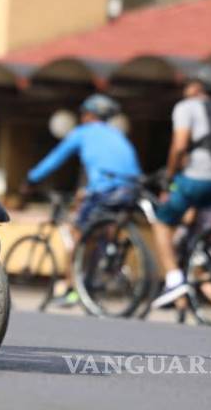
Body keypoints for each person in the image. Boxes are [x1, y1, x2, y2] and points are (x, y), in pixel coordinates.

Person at [23, 93, 142, 305]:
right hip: (131, 188)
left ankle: (73, 288)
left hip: (106, 189)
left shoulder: (83, 132)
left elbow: (55, 159)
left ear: (88, 115)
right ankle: (102, 267)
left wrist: (31, 180)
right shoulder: (117, 135)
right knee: (102, 232)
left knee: (78, 234)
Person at [150, 66, 211, 309]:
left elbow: (179, 147)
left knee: (162, 221)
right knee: (194, 229)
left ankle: (174, 280)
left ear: (198, 86)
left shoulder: (186, 107)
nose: (186, 87)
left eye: (190, 83)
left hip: (197, 177)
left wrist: (169, 177)